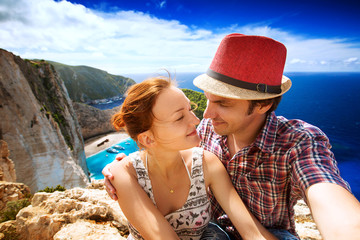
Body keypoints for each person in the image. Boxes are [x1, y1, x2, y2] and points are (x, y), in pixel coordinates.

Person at [104, 34, 360, 239]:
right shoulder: (203, 132)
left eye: (223, 103)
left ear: (262, 105)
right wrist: (123, 170)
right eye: (206, 98)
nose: (204, 115)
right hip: (213, 231)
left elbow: (327, 193)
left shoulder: (298, 142)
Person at [107, 76, 277, 240]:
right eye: (180, 117)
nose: (196, 120)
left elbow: (253, 232)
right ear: (148, 139)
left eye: (190, 109)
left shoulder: (206, 163)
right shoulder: (124, 173)